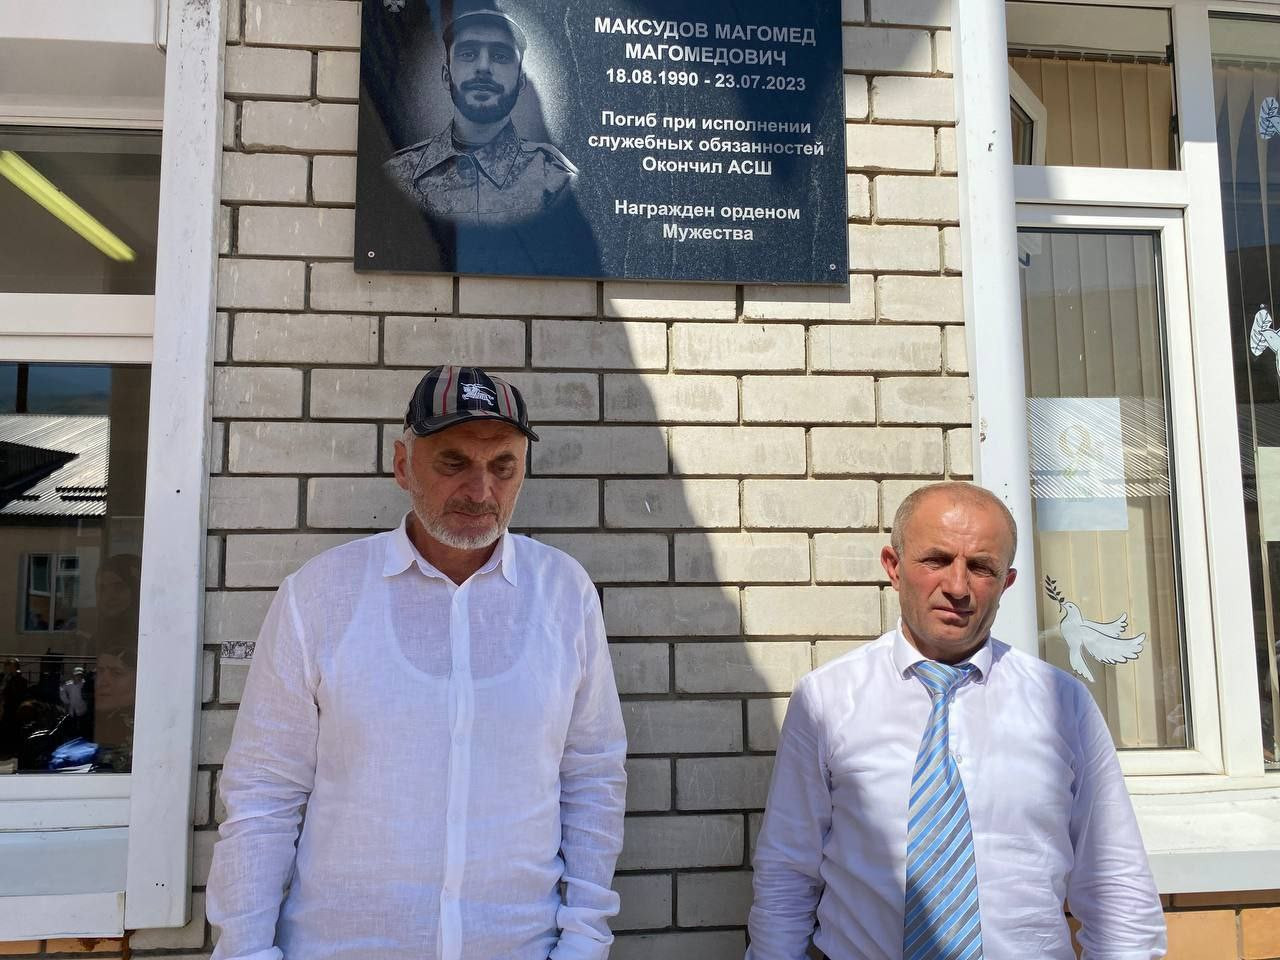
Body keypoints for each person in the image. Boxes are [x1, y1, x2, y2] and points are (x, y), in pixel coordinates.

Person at [207, 365, 627, 960]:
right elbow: (264, 792)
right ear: (402, 465)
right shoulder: (320, 595)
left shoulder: (564, 593)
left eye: (503, 466)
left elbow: (592, 776)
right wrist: (247, 952)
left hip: (519, 946)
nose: (480, 491)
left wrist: (584, 941)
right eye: (453, 462)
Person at [746, 481, 1166, 960]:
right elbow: (787, 872)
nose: (958, 587)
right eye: (937, 560)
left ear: (1007, 582)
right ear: (893, 567)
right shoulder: (827, 699)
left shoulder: (1062, 705)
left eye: (982, 567)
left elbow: (1115, 883)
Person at [383, 1, 578, 226]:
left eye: (500, 56)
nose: (484, 67)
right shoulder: (401, 172)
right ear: (446, 76)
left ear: (521, 81)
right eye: (468, 54)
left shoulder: (556, 179)